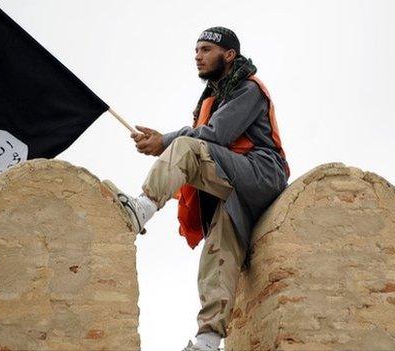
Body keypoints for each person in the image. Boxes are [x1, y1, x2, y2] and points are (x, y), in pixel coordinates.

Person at [104, 26, 290, 351]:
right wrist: (164, 141)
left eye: (206, 50)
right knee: (219, 253)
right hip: (236, 184)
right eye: (196, 50)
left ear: (229, 55)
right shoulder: (214, 96)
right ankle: (208, 340)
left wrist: (165, 141)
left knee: (188, 148)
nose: (198, 56)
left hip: (261, 174)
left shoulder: (248, 90)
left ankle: (142, 209)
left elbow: (213, 135)